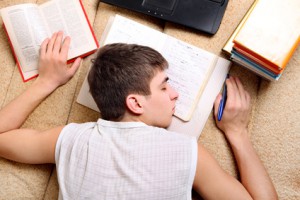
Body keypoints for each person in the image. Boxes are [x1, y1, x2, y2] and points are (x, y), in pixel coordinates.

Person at [0, 31, 277, 200]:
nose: (175, 94)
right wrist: (238, 132)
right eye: (164, 86)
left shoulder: (70, 139)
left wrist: (46, 82)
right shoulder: (186, 152)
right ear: (135, 103)